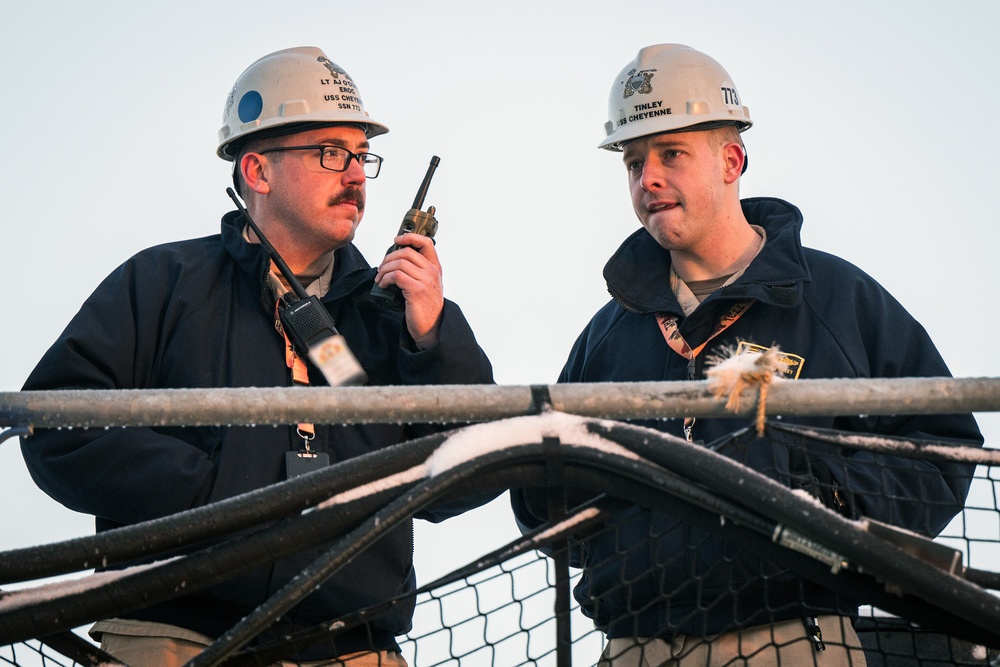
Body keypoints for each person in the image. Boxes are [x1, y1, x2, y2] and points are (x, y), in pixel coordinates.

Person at [510, 44, 982, 666]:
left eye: (671, 154)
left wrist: (819, 500)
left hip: (790, 641)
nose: (648, 178)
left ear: (731, 160)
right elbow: (544, 505)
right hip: (633, 648)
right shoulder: (608, 334)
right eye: (633, 162)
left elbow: (944, 451)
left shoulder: (836, 300)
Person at [20, 46, 494, 666]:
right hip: (175, 639)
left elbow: (468, 477)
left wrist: (432, 334)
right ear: (257, 170)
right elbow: (59, 429)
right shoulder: (165, 282)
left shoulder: (395, 319)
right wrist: (220, 495)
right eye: (330, 152)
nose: (355, 174)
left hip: (353, 646)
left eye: (361, 156)